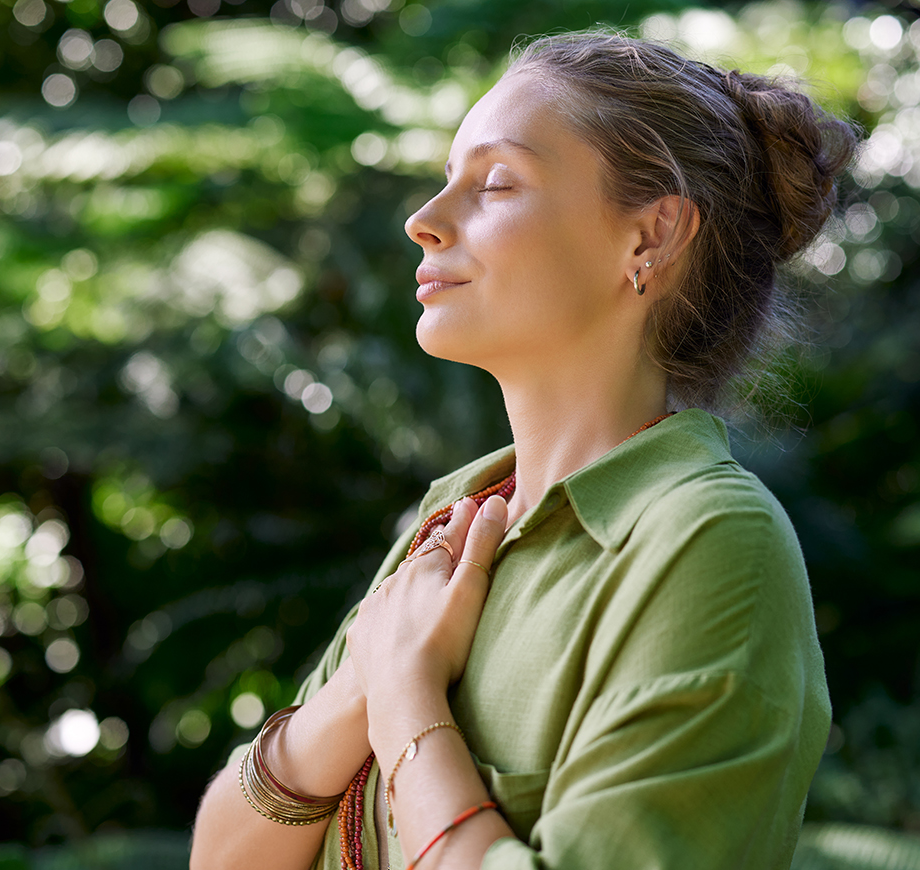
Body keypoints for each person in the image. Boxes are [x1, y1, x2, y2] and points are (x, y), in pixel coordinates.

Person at [190, 30, 856, 870]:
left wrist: (406, 707)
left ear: (649, 237)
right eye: (444, 182)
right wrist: (368, 682)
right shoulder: (449, 526)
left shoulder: (708, 541)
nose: (424, 223)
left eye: (496, 183)